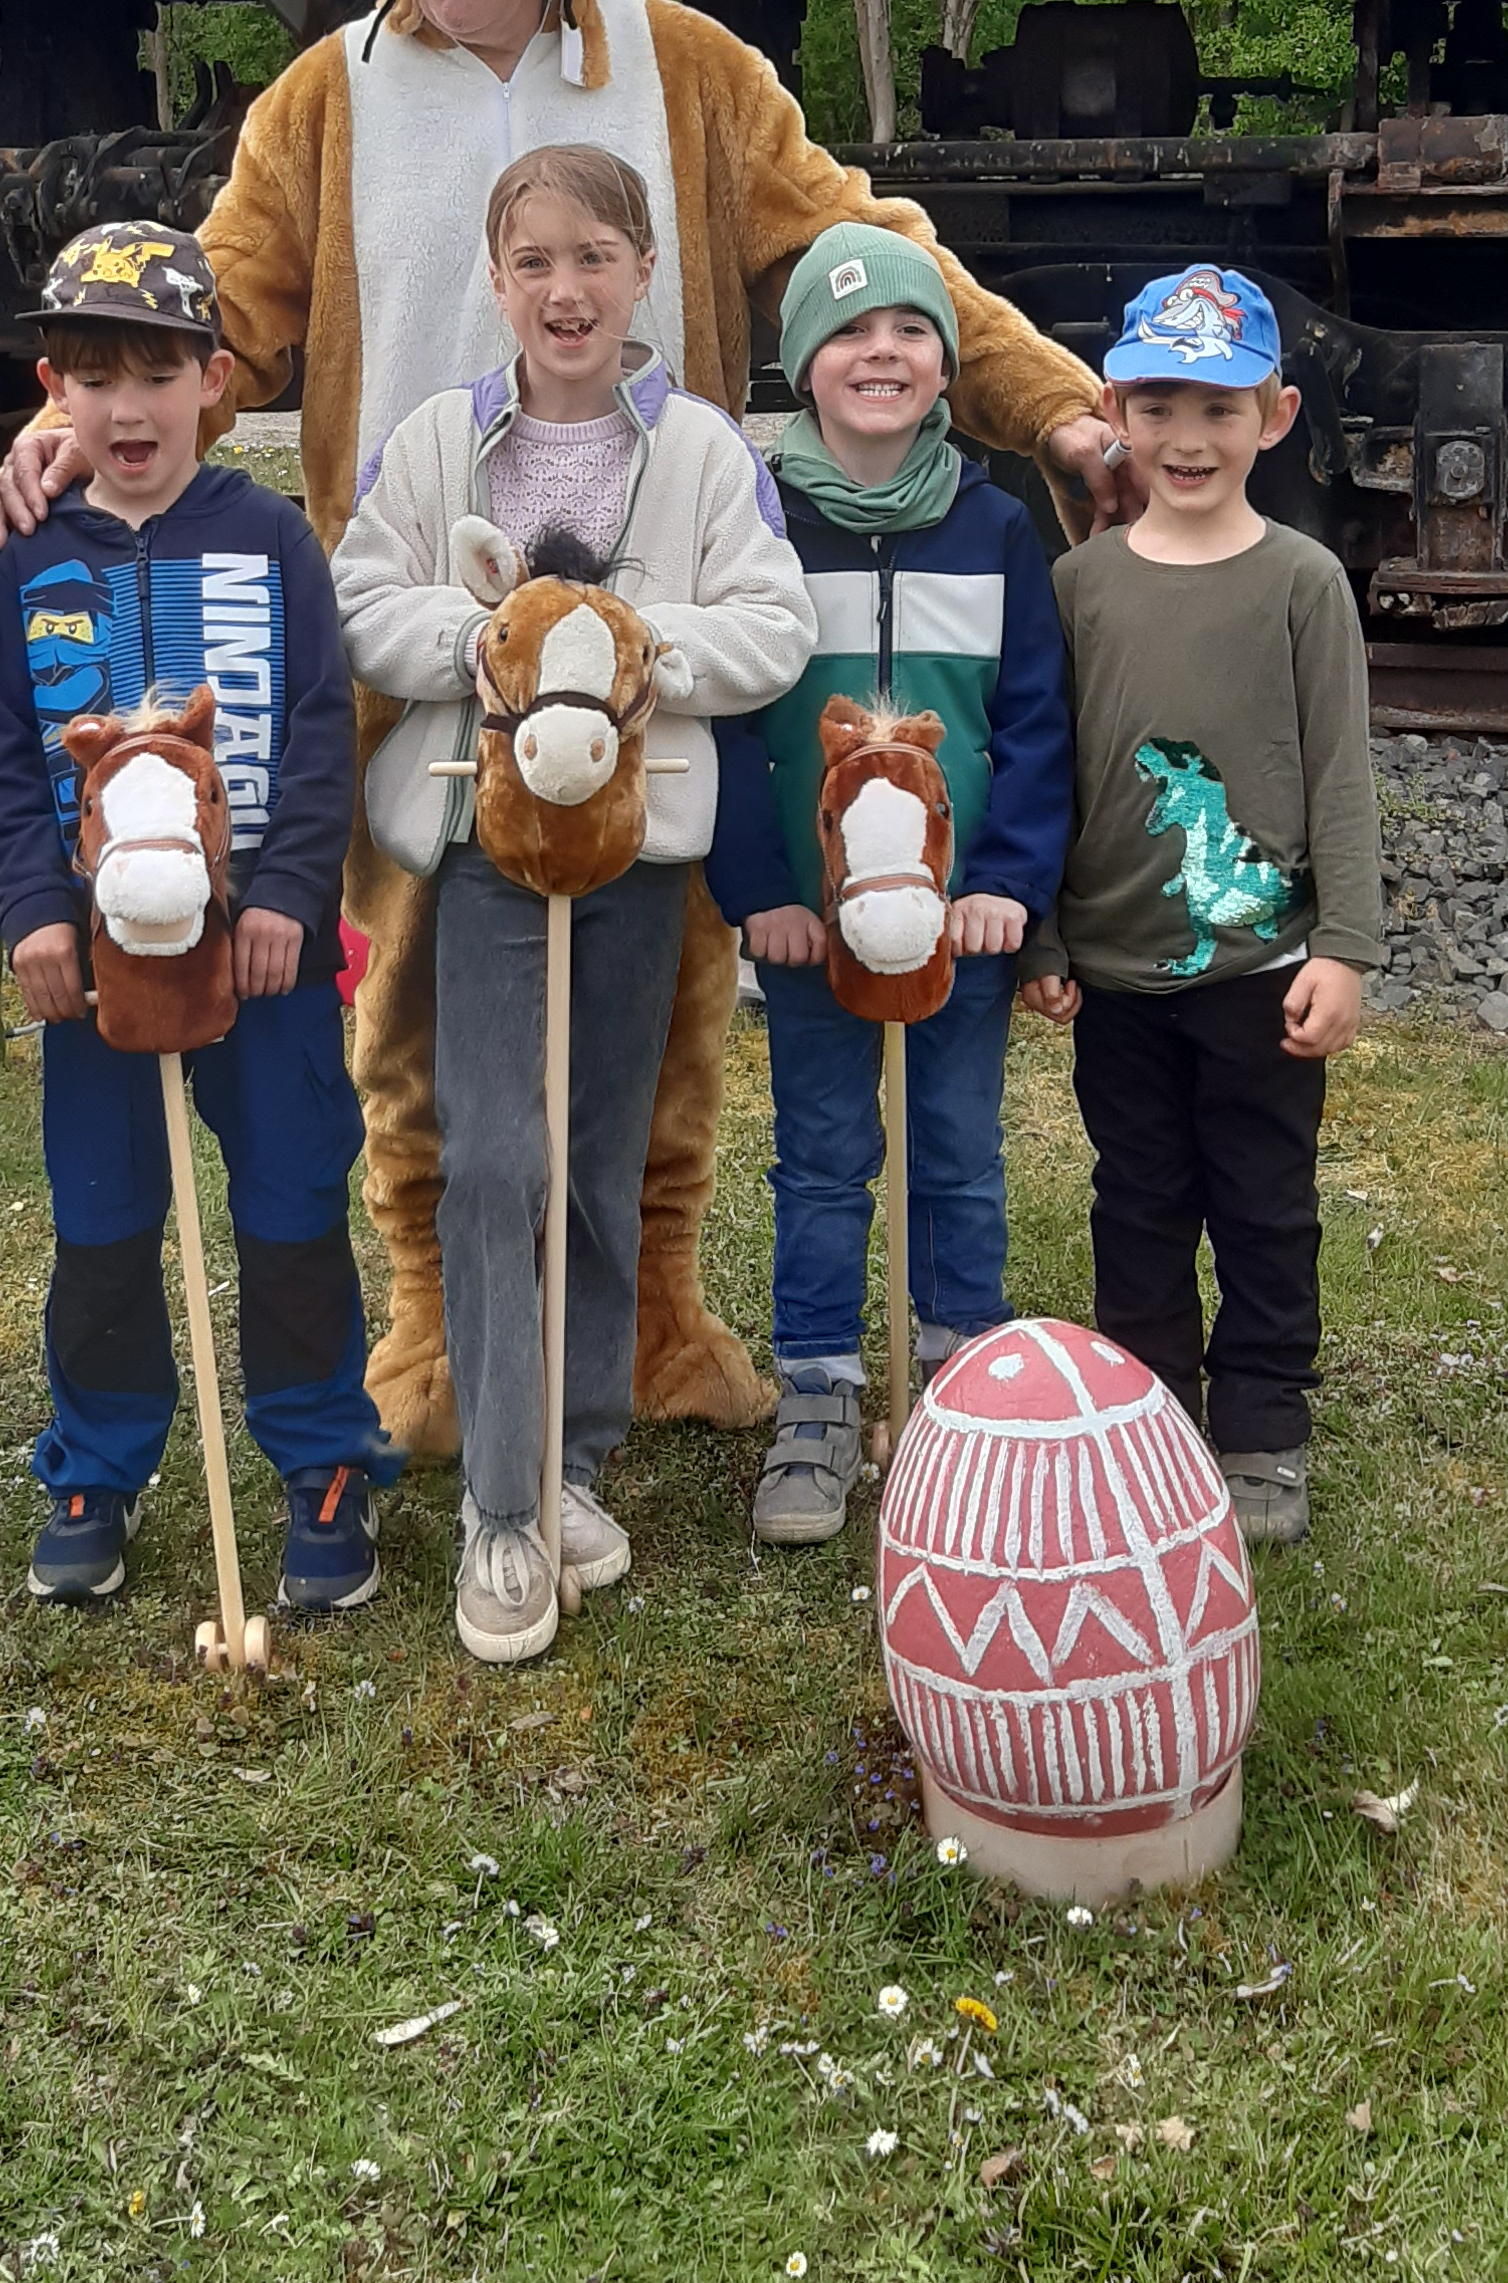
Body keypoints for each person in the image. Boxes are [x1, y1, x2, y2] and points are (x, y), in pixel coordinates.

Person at [0, 0, 1129, 1473]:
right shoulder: (318, 103)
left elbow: (862, 243)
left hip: (655, 619)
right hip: (421, 639)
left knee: (661, 987)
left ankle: (648, 1302)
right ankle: (436, 1312)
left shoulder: (684, 69)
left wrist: (1048, 404)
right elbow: (219, 318)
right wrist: (70, 426)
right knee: (419, 990)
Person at [332, 147, 816, 1663]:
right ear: (497, 279)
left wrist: (618, 650)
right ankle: (501, 1501)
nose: (565, 289)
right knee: (492, 1157)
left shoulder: (705, 455)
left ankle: (576, 1452)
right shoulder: (429, 443)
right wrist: (498, 642)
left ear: (643, 273)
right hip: (484, 847)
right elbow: (363, 598)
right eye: (534, 261)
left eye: (595, 257)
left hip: (638, 851)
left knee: (603, 1154)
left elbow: (773, 627)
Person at [0, 219, 396, 1613]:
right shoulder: (33, 561)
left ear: (215, 379)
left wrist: (288, 895)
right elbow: (8, 764)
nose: (127, 406)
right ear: (54, 389)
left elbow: (324, 735)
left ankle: (322, 1458)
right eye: (94, 376)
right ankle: (96, 1459)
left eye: (155, 371)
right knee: (99, 1220)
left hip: (260, 964)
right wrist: (36, 912)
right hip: (98, 970)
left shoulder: (271, 536)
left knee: (288, 1203)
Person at [707, 225, 1072, 1538]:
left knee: (961, 1155)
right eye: (851, 332)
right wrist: (761, 896)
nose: (882, 352)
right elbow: (732, 730)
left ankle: (957, 1378)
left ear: (944, 364)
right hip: (817, 926)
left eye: (910, 330)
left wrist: (1013, 887)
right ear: (803, 366)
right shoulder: (757, 525)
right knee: (820, 1158)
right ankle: (816, 1391)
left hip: (957, 926)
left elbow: (1035, 721)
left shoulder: (995, 528)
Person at [1020, 263, 1383, 1546]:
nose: (1186, 438)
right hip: (1115, 976)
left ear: (1274, 418)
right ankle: (1158, 1414)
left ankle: (1266, 1424)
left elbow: (1340, 769)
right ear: (1114, 408)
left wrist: (1342, 945)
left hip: (1258, 972)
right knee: (1139, 1195)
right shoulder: (1080, 589)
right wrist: (1049, 937)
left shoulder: (1302, 582)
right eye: (1160, 404)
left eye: (1219, 408)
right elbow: (1047, 773)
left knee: (1264, 1194)